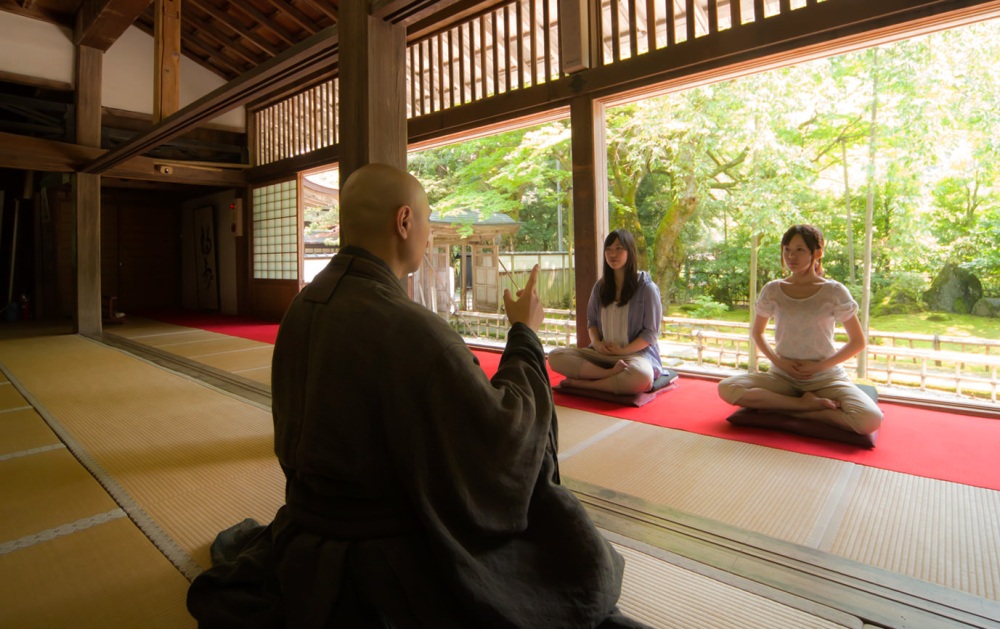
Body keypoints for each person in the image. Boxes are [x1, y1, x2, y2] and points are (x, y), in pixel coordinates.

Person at [187, 163, 647, 628]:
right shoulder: (412, 330)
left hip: (307, 532)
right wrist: (524, 334)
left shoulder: (301, 307)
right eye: (426, 220)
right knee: (570, 551)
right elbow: (503, 442)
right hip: (383, 558)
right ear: (404, 221)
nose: (427, 234)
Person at [717, 224, 883, 436]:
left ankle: (798, 411)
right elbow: (757, 332)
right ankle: (803, 405)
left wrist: (819, 367)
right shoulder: (773, 289)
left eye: (799, 250)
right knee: (727, 388)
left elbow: (858, 342)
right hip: (782, 377)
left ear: (817, 253)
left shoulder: (834, 291)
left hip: (825, 378)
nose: (791, 256)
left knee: (870, 419)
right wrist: (778, 362)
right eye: (787, 249)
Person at [549, 229, 663, 395]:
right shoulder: (600, 287)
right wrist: (596, 343)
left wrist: (623, 351)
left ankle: (584, 384)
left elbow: (650, 334)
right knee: (555, 356)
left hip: (634, 356)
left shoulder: (646, 289)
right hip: (601, 355)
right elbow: (592, 322)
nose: (612, 254)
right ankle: (609, 374)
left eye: (618, 248)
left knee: (642, 376)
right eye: (608, 249)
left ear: (630, 251)